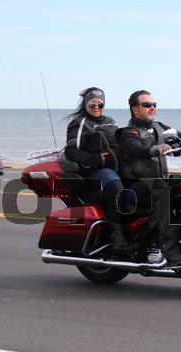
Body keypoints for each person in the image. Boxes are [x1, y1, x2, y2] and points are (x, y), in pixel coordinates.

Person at [117, 90, 181, 265]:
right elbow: (134, 148)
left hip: (158, 179)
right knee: (163, 190)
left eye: (154, 104)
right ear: (135, 109)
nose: (152, 107)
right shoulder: (129, 132)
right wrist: (153, 149)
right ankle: (171, 250)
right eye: (147, 105)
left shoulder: (160, 127)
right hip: (136, 185)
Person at [64, 87, 130, 255]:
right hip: (96, 170)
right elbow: (71, 150)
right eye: (92, 104)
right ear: (85, 104)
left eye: (100, 104)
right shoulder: (80, 123)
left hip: (117, 167)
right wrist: (95, 159)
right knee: (114, 185)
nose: (96, 107)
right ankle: (117, 234)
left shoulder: (110, 121)